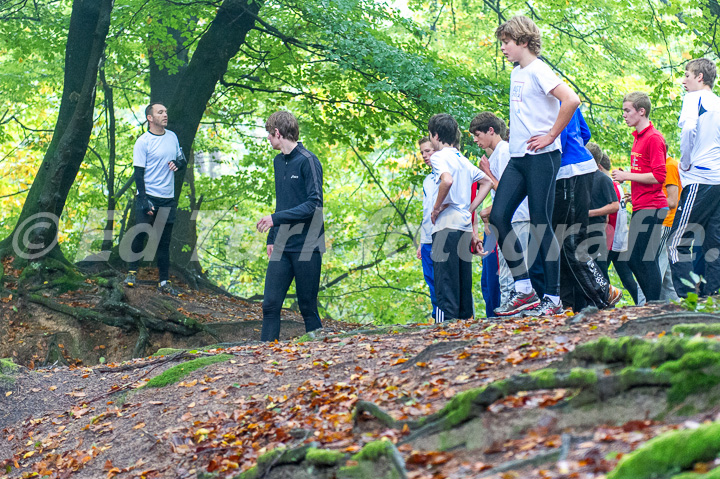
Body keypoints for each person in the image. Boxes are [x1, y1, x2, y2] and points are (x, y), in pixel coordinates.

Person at [489, 15, 581, 317]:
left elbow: (571, 100)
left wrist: (551, 135)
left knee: (541, 224)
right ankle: (525, 290)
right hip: (518, 158)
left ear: (524, 42)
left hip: (543, 157)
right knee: (499, 216)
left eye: (507, 42)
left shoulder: (540, 70)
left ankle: (553, 299)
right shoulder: (517, 72)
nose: (503, 48)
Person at [256, 111, 324, 341]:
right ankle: (264, 357)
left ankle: (321, 358)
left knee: (307, 307)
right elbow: (282, 203)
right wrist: (272, 237)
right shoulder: (278, 162)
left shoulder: (308, 160)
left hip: (308, 243)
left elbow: (314, 205)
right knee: (270, 305)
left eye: (269, 134)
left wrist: (274, 219)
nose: (268, 139)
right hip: (283, 243)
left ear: (277, 132)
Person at [553, 110, 622, 312]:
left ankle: (602, 294)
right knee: (566, 250)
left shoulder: (601, 179)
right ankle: (571, 303)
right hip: (576, 179)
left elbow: (614, 205)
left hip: (596, 226)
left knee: (576, 249)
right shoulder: (565, 100)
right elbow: (585, 132)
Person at [428, 113, 493, 322]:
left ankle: (447, 332)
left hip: (446, 224)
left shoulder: (439, 157)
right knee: (462, 283)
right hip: (464, 227)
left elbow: (446, 181)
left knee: (445, 284)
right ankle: (465, 331)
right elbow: (487, 182)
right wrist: (470, 207)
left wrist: (436, 208)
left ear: (436, 135)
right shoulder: (462, 159)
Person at [470, 112, 534, 308]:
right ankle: (510, 312)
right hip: (506, 221)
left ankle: (512, 315)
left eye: (478, 135)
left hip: (518, 219)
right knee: (505, 271)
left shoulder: (505, 152)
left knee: (510, 271)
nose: (475, 140)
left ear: (491, 130)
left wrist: (487, 173)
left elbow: (512, 190)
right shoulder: (497, 154)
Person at [669, 58, 720, 297]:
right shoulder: (718, 103)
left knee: (675, 243)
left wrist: (686, 162)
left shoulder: (693, 99)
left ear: (700, 77)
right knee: (714, 245)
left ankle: (688, 298)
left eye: (687, 75)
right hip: (717, 180)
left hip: (700, 178)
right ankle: (712, 298)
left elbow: (689, 129)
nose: (683, 80)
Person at [124, 102, 186, 295]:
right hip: (148, 196)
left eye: (166, 111)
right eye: (160, 112)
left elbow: (181, 160)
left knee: (163, 242)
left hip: (167, 198)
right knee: (140, 235)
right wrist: (143, 199)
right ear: (150, 118)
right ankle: (131, 273)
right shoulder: (143, 141)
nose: (165, 115)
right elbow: (138, 173)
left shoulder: (172, 137)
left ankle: (164, 282)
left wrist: (178, 163)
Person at [612, 91, 668, 302]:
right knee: (637, 259)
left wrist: (627, 175)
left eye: (627, 110)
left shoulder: (653, 138)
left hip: (653, 206)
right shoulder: (638, 138)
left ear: (641, 111)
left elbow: (659, 176)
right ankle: (653, 303)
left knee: (642, 258)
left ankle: (654, 305)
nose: (624, 115)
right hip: (642, 205)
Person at [417, 137, 439, 320]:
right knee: (430, 280)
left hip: (441, 237)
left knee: (441, 281)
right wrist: (421, 242)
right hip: (427, 240)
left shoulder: (445, 175)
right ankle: (436, 318)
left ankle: (444, 320)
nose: (425, 155)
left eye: (428, 151)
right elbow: (426, 213)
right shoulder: (427, 180)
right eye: (422, 152)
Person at [658, 156, 681, 300]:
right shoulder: (661, 166)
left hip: (666, 222)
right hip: (659, 221)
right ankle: (675, 306)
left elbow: (672, 201)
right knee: (665, 273)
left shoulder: (670, 165)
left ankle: (643, 306)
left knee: (651, 267)